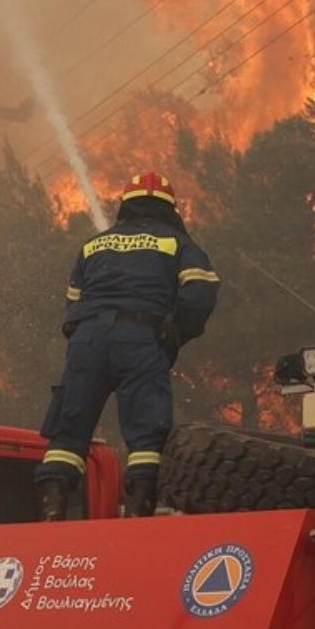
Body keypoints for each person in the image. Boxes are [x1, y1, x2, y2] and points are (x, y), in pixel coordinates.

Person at [36, 171, 220, 520]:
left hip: (87, 339)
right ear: (170, 210)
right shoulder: (177, 244)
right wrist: (178, 331)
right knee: (146, 429)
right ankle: (139, 509)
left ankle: (52, 505)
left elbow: (72, 301)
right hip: (140, 336)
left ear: (126, 207)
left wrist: (83, 337)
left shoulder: (94, 244)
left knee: (71, 423)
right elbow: (200, 292)